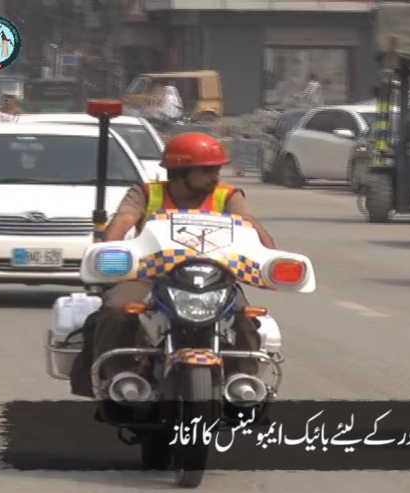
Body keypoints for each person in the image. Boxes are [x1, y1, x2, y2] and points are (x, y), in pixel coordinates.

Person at [84, 132, 278, 394]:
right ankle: (116, 377)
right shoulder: (145, 193)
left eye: (217, 169)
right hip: (150, 274)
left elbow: (252, 229)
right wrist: (108, 250)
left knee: (243, 316)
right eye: (207, 170)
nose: (216, 176)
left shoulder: (227, 196)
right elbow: (122, 221)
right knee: (116, 309)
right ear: (180, 172)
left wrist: (265, 251)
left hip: (214, 277)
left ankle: (243, 381)